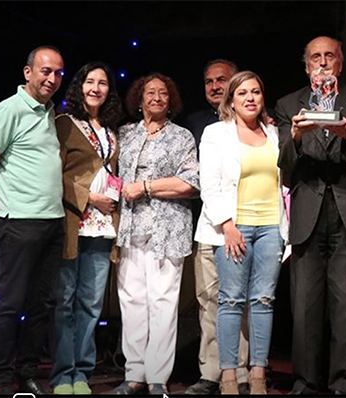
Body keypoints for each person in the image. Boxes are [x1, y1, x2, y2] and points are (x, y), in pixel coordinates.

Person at [276, 36, 346, 395]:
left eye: (329, 56)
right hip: (308, 212)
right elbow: (285, 167)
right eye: (315, 58)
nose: (322, 63)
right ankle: (306, 383)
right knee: (305, 307)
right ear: (306, 65)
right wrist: (293, 138)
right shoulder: (288, 104)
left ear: (341, 61)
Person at [196, 70, 288, 395]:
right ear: (231, 101)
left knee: (263, 301)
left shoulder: (273, 134)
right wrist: (227, 225)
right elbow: (208, 184)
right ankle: (229, 376)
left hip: (270, 228)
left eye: (256, 92)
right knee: (231, 301)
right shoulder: (215, 134)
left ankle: (259, 373)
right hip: (232, 228)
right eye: (242, 93)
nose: (250, 98)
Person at [113, 73, 199, 395]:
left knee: (163, 302)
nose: (157, 98)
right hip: (130, 228)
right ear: (139, 99)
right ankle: (133, 373)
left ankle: (157, 377)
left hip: (168, 231)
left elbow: (190, 183)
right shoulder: (125, 135)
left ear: (171, 100)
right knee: (132, 301)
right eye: (150, 93)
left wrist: (146, 187)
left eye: (164, 93)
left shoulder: (182, 137)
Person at [0, 45, 65, 395]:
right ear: (28, 72)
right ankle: (0, 378)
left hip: (52, 222)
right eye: (45, 71)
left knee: (41, 305)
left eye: (58, 73)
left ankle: (27, 370)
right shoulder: (10, 109)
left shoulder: (50, 112)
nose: (52, 78)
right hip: (18, 222)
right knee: (9, 305)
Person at [48, 62, 123, 395]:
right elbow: (53, 174)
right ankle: (63, 373)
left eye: (103, 83)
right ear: (79, 87)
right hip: (72, 220)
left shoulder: (110, 130)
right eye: (90, 82)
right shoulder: (64, 124)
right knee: (64, 301)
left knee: (91, 304)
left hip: (102, 226)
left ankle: (82, 371)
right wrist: (89, 197)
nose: (96, 88)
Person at [183, 60, 252, 395]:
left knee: (240, 302)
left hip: (247, 227)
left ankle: (240, 373)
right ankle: (211, 373)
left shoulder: (256, 125)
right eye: (208, 81)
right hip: (209, 226)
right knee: (209, 300)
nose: (214, 86)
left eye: (221, 80)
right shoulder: (195, 125)